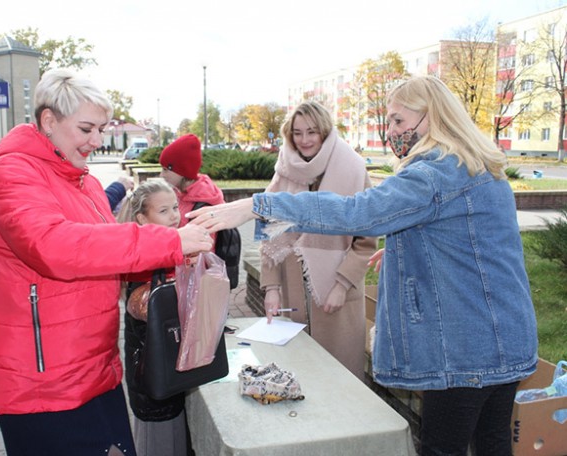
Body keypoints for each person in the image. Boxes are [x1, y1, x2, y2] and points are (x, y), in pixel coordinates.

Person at [189, 76, 538, 456]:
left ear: (432, 117)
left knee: (442, 448)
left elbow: (358, 211)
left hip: (464, 349)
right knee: (492, 443)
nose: (391, 132)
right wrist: (414, 248)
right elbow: (479, 243)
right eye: (388, 123)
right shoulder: (476, 166)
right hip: (505, 337)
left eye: (399, 122)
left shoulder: (434, 172)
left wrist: (257, 206)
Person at [0, 68, 212, 456]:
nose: (97, 141)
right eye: (87, 129)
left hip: (93, 368)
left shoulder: (83, 182)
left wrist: (162, 272)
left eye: (102, 129)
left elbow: (107, 254)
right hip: (42, 382)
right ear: (48, 121)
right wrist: (168, 241)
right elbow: (55, 247)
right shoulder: (11, 172)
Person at [260, 101, 376, 380]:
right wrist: (272, 288)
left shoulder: (353, 169)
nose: (304, 140)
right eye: (297, 133)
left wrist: (342, 285)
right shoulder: (284, 171)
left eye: (311, 132)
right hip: (293, 292)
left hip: (337, 297)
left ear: (324, 131)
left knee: (339, 384)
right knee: (299, 378)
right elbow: (268, 230)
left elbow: (366, 241)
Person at [117, 179, 190, 456]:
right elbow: (160, 314)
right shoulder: (145, 266)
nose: (174, 216)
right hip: (156, 388)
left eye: (175, 207)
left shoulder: (164, 257)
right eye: (163, 211)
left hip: (167, 382)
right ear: (141, 219)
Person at [159, 133, 225, 231]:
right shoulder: (179, 194)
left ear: (182, 170)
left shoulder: (203, 206)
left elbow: (205, 244)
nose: (161, 175)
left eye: (165, 170)